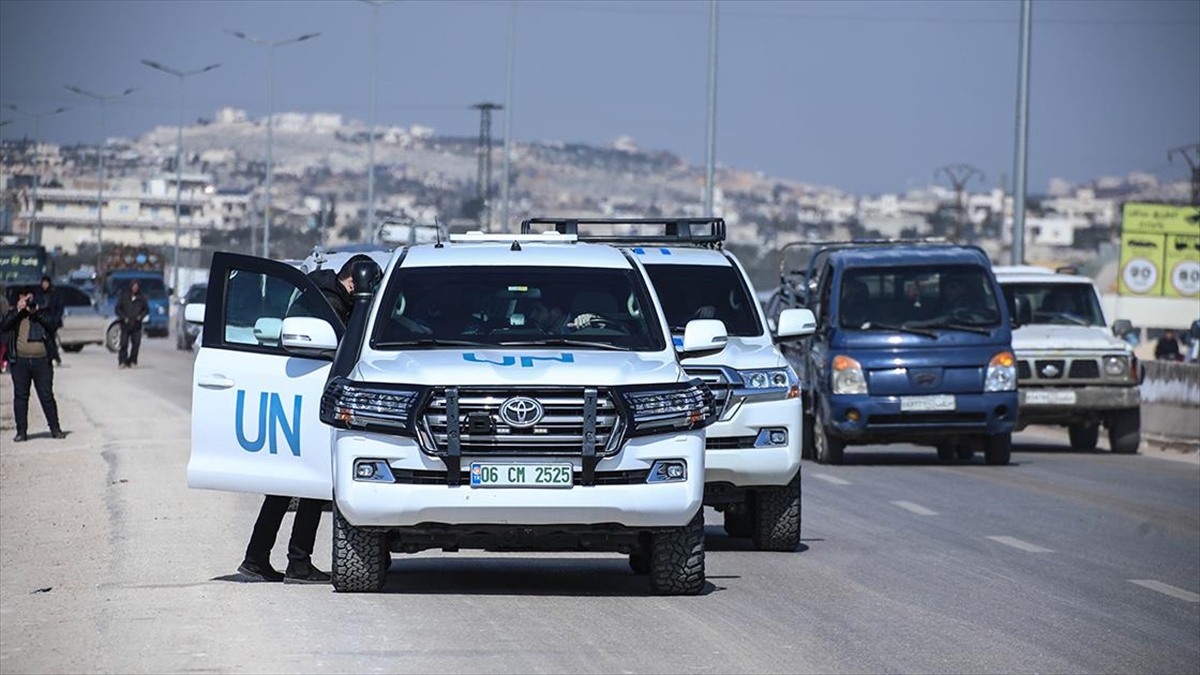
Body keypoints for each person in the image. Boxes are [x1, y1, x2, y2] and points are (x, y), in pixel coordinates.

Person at [237, 254, 374, 585]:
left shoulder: (320, 294)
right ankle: (295, 562)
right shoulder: (331, 304)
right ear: (353, 283)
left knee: (286, 486)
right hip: (311, 401)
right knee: (312, 484)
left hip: (300, 398)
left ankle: (257, 558)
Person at [0, 285, 66, 442]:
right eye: (24, 297)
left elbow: (52, 325)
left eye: (29, 297)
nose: (27, 301)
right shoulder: (15, 314)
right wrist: (18, 310)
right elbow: (4, 326)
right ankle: (21, 431)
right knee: (21, 397)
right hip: (20, 361)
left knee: (46, 395)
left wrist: (36, 313)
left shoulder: (41, 312)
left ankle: (55, 429)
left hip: (41, 361)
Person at [115, 280, 149, 369]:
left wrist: (140, 317)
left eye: (136, 287)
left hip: (136, 325)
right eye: (134, 287)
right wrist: (124, 318)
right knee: (123, 344)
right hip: (125, 324)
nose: (135, 288)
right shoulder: (124, 297)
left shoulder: (141, 298)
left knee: (136, 344)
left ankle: (133, 361)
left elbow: (146, 310)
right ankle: (122, 361)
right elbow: (118, 309)